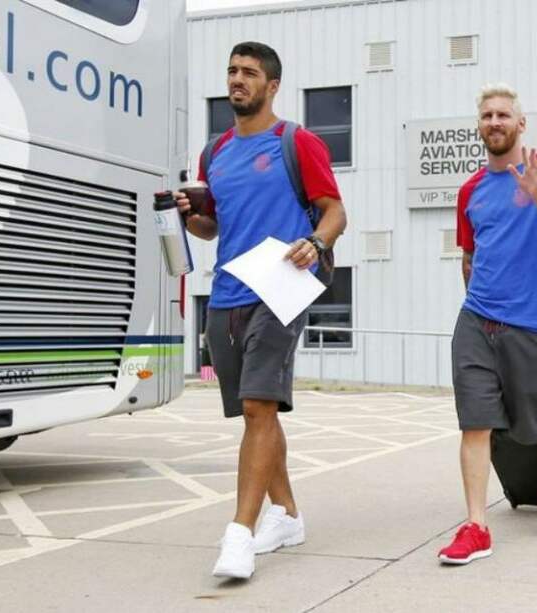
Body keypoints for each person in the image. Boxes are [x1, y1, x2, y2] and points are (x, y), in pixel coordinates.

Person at [177, 41, 346, 579]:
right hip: (226, 292)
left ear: (272, 85)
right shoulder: (214, 152)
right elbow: (213, 227)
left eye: (249, 73)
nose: (238, 80)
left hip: (282, 287)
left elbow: (334, 211)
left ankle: (239, 535)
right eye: (232, 71)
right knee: (258, 414)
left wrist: (316, 244)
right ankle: (288, 515)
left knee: (257, 408)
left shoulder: (296, 142)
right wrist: (189, 215)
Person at [440, 83, 537, 565]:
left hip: (535, 325)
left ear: (521, 124)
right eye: (487, 116)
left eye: (504, 115)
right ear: (479, 126)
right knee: (475, 424)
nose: (495, 122)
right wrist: (476, 306)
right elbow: (469, 255)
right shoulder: (470, 190)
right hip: (478, 320)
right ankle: (476, 526)